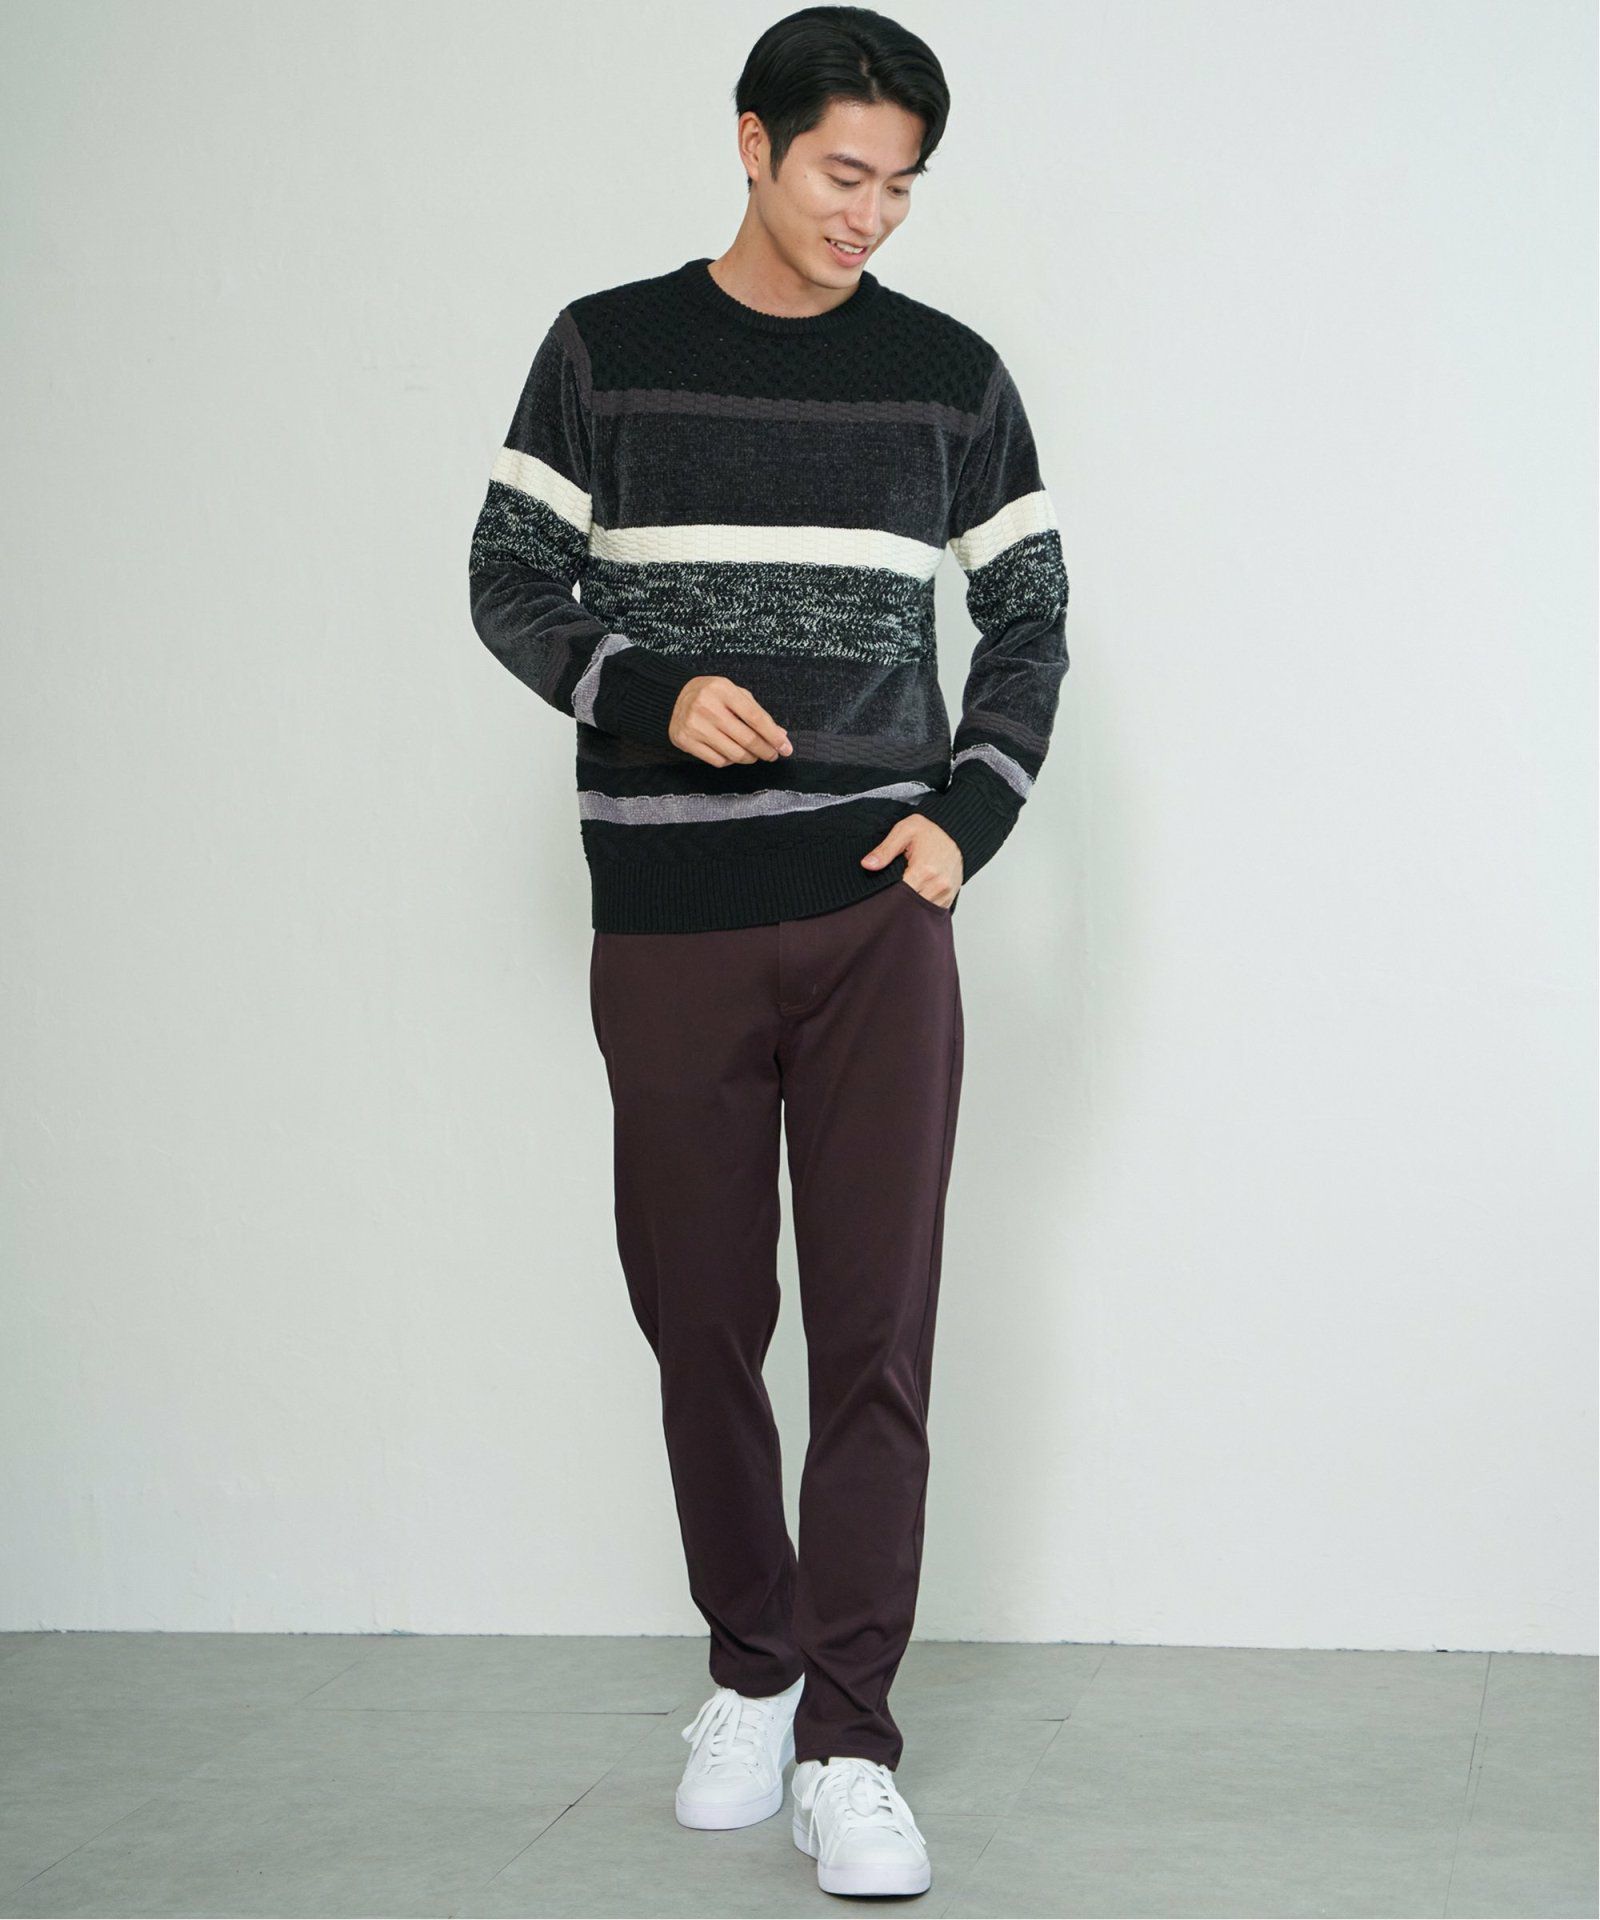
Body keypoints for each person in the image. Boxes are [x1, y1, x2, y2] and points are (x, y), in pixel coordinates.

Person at [466, 4, 1069, 1900]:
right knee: (702, 1311)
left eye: (900, 186)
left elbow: (1033, 620)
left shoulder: (953, 379)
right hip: (669, 920)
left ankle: (850, 1739)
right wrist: (645, 687)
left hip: (881, 916)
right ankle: (751, 1663)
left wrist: (965, 824)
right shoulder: (606, 350)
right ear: (753, 143)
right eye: (839, 173)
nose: (867, 215)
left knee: (877, 1329)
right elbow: (507, 576)